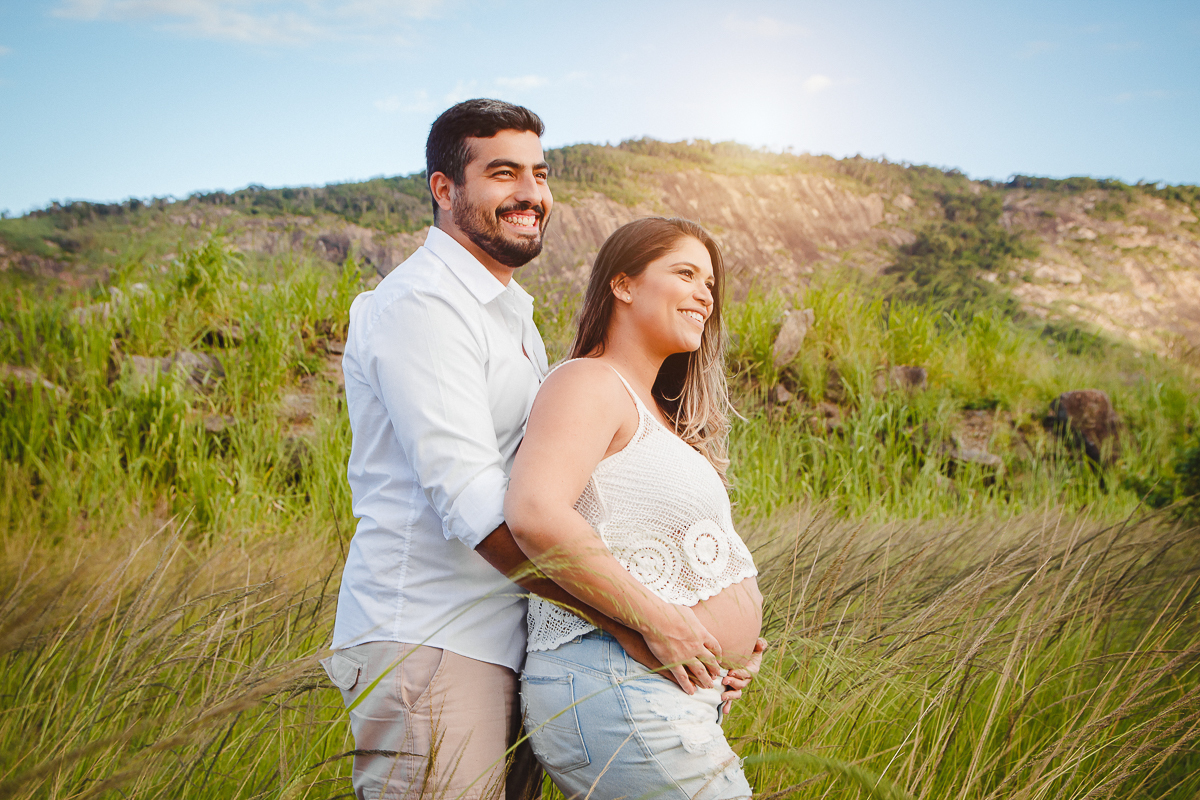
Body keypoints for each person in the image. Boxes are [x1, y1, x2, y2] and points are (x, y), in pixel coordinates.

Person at [321, 100, 752, 800]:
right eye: (503, 173)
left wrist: (701, 630)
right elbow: (482, 511)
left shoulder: (512, 320)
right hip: (434, 637)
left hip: (511, 641)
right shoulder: (422, 306)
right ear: (444, 189)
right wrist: (644, 626)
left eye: (540, 172)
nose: (531, 193)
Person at [505, 217, 766, 800]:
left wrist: (727, 647)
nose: (706, 293)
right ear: (623, 285)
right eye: (685, 273)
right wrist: (665, 622)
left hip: (662, 688)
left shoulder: (658, 413)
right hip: (615, 681)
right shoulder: (588, 383)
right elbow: (534, 512)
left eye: (711, 283)